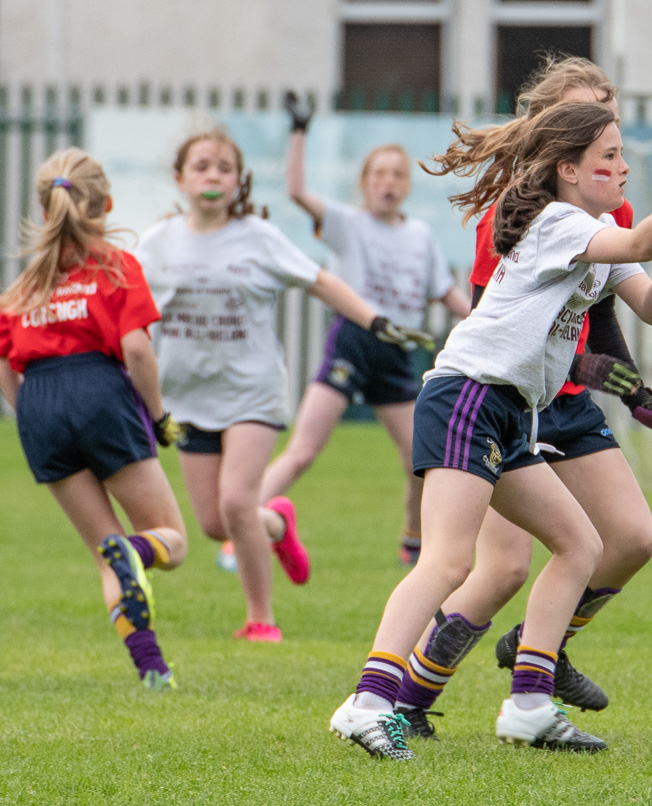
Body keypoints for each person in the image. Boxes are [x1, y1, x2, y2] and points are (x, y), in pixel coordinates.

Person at [328, 100, 652, 760]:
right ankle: (366, 703)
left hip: (509, 411)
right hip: (466, 397)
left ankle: (530, 705)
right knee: (449, 561)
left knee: (578, 545)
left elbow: (651, 306)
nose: (623, 167)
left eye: (622, 154)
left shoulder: (592, 231)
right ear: (568, 170)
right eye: (610, 158)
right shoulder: (559, 222)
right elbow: (636, 241)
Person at [137, 129, 426, 642]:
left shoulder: (257, 237)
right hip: (190, 400)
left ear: (237, 181)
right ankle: (278, 524)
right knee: (217, 524)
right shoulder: (158, 245)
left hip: (253, 392)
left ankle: (260, 620)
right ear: (180, 178)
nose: (213, 176)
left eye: (224, 168)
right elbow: (126, 311)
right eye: (202, 166)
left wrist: (374, 320)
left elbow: (321, 281)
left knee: (234, 502)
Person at [0, 147, 188, 690]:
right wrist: (158, 417)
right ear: (105, 203)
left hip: (38, 403)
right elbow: (137, 351)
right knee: (168, 540)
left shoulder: (23, 287)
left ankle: (152, 669)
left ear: (45, 210)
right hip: (98, 392)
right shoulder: (115, 265)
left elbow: (5, 367)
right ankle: (135, 550)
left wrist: (31, 409)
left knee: (103, 553)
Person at [257, 93, 471, 567]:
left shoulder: (420, 236)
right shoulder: (347, 224)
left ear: (407, 185)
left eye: (397, 174)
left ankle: (413, 542)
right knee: (304, 451)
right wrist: (299, 130)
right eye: (379, 174)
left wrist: (482, 317)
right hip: (352, 343)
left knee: (422, 459)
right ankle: (245, 526)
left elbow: (446, 294)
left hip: (396, 354)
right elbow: (295, 191)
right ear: (365, 183)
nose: (388, 183)